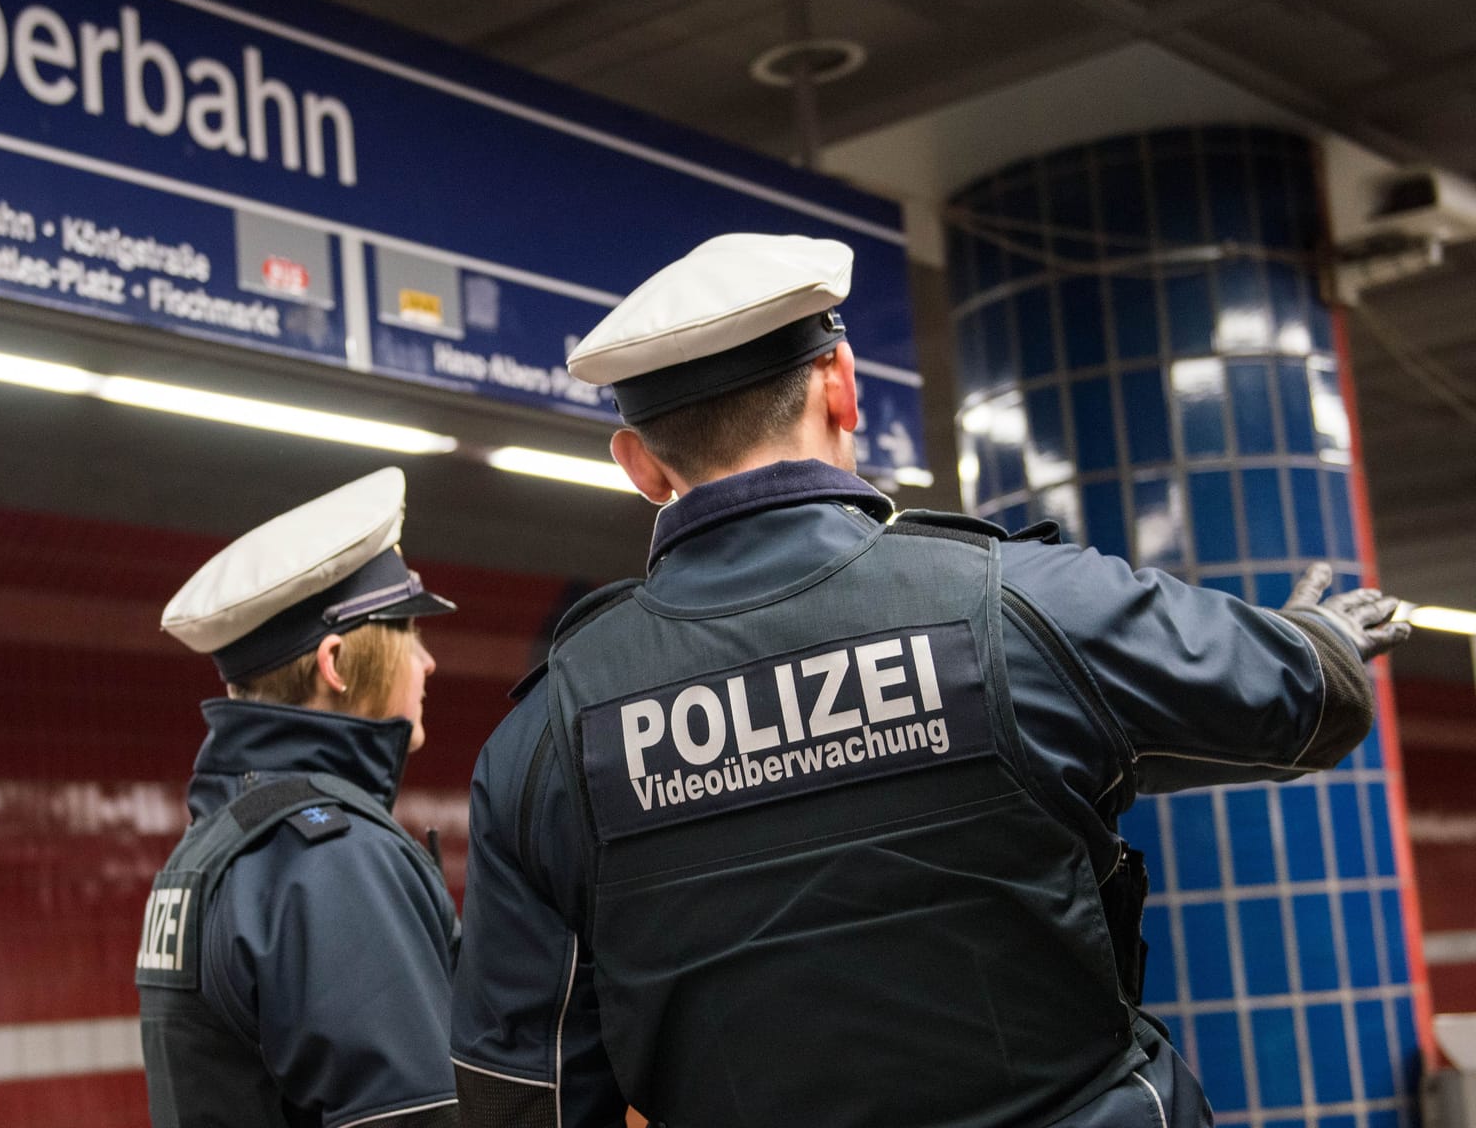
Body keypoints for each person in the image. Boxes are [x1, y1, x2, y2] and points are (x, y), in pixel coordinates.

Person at [448, 233, 1410, 1128]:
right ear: (843, 387)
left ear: (638, 464)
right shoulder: (1022, 610)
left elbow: (522, 1091)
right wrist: (1318, 638)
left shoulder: (547, 739)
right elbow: (1303, 703)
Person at [137, 466, 462, 1128]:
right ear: (336, 664)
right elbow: (412, 1116)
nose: (427, 663)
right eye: (407, 634)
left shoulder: (211, 850)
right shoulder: (334, 862)